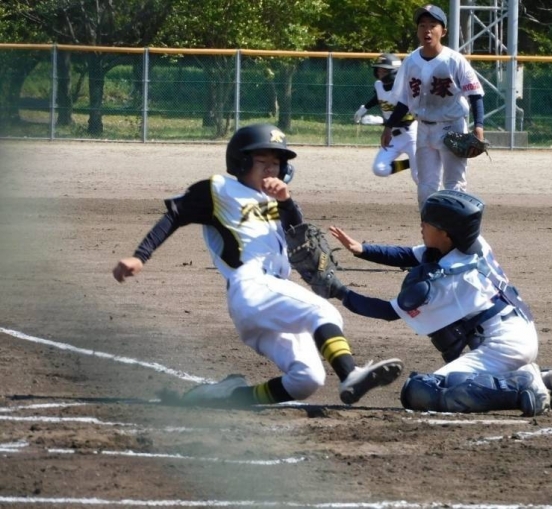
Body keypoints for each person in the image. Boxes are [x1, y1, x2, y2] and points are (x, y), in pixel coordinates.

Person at [112, 123, 404, 408]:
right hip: (251, 285)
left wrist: (286, 201)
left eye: (276, 163)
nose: (270, 169)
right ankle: (350, 374)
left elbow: (298, 231)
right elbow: (175, 215)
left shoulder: (276, 202)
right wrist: (140, 256)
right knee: (323, 311)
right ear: (241, 162)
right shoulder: (221, 189)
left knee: (306, 379)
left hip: (270, 295)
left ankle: (227, 397)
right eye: (262, 161)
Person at [327, 190, 552, 416]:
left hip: (502, 347)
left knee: (423, 390)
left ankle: (523, 386)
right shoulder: (473, 245)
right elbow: (409, 255)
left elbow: (387, 311)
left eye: (427, 222)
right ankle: (546, 380)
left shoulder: (451, 281)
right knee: (446, 384)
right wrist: (361, 249)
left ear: (445, 233)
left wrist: (337, 290)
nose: (421, 225)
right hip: (517, 333)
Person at [381, 4, 486, 207]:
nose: (427, 30)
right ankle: (428, 224)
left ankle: (454, 226)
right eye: (422, 25)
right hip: (423, 128)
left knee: (454, 185)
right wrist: (389, 126)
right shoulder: (410, 61)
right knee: (426, 185)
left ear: (443, 31)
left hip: (452, 127)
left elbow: (475, 94)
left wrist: (479, 127)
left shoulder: (455, 60)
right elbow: (404, 100)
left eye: (432, 25)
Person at [353, 53, 419, 186]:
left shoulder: (404, 87)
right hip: (393, 136)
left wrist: (384, 122)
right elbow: (379, 96)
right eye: (379, 70)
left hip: (411, 135)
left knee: (418, 177)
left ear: (395, 72)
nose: (380, 73)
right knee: (380, 169)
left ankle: (435, 197)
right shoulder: (378, 85)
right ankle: (409, 163)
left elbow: (403, 112)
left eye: (384, 70)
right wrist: (365, 108)